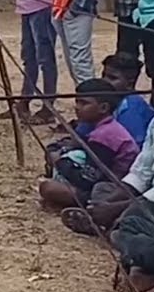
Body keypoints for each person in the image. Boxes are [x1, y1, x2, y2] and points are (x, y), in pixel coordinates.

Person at [62, 57, 154, 241]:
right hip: (150, 193)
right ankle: (109, 223)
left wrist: (115, 207)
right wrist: (108, 202)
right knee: (104, 191)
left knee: (135, 214)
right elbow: (141, 172)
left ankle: (113, 227)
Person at [38, 78, 138, 209]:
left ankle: (87, 203)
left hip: (112, 188)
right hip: (102, 181)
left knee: (48, 188)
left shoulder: (106, 135)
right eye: (77, 102)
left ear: (103, 108)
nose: (77, 107)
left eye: (84, 103)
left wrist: (59, 161)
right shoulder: (100, 127)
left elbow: (89, 178)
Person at [102, 52, 154, 146]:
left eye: (112, 78)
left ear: (129, 84)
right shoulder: (109, 100)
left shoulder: (131, 108)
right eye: (103, 75)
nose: (104, 81)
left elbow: (133, 146)